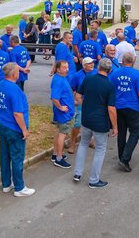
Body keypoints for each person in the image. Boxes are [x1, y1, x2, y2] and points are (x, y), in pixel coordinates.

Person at [0, 62, 35, 197]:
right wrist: (24, 130)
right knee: (17, 157)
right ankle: (19, 187)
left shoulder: (0, 84)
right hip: (14, 129)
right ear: (14, 74)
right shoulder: (15, 90)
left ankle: (6, 184)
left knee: (5, 155)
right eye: (18, 71)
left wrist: (2, 112)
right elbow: (17, 114)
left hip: (2, 125)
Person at [73, 58, 118, 188]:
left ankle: (77, 172)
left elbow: (78, 96)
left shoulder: (88, 79)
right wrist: (115, 126)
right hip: (100, 121)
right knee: (100, 149)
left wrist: (85, 106)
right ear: (109, 71)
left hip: (86, 119)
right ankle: (93, 179)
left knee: (83, 144)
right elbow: (111, 109)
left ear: (98, 68)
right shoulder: (109, 85)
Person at [109, 52, 139, 172]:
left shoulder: (115, 72)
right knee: (135, 133)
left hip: (118, 107)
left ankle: (122, 157)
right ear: (133, 61)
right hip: (132, 107)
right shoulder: (136, 74)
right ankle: (125, 159)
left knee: (121, 133)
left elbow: (110, 88)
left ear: (123, 61)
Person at [68, 57, 97, 154]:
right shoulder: (77, 75)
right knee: (78, 123)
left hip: (94, 101)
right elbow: (72, 88)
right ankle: (72, 142)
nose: (92, 64)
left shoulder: (97, 72)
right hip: (81, 102)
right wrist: (75, 99)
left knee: (93, 122)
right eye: (89, 63)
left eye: (93, 63)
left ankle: (90, 140)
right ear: (84, 65)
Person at [51, 60, 75, 168]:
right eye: (64, 67)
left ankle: (55, 153)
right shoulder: (59, 81)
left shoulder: (60, 78)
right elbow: (54, 98)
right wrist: (61, 107)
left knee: (60, 131)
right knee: (63, 134)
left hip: (64, 112)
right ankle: (59, 158)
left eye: (67, 67)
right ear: (58, 69)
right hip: (63, 113)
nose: (67, 69)